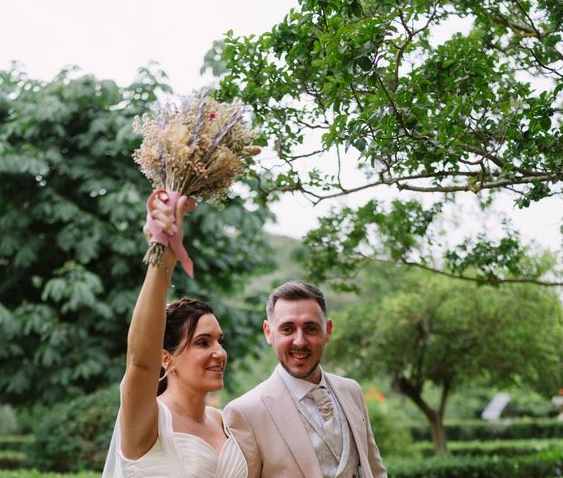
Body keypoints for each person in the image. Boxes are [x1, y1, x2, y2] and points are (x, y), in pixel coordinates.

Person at [102, 192, 247, 478]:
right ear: (166, 359)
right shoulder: (149, 419)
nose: (219, 352)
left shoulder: (222, 421)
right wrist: (162, 257)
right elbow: (140, 361)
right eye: (202, 342)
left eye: (220, 340)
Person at [224, 280, 387, 478]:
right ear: (268, 332)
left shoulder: (352, 391)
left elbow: (375, 470)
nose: (300, 341)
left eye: (310, 328)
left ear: (328, 330)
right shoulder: (245, 412)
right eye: (287, 329)